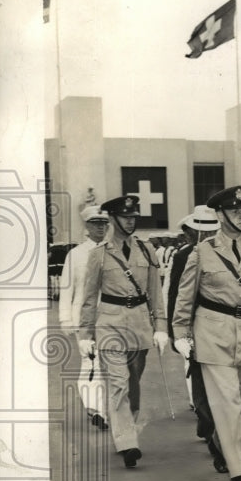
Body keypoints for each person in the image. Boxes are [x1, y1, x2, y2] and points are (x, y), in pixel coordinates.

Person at [172, 186, 241, 481]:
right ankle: (238, 470)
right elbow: (185, 296)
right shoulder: (201, 252)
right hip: (212, 332)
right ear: (220, 216)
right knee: (228, 403)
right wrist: (180, 333)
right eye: (235, 212)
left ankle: (220, 438)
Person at [78, 195, 169, 467]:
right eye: (126, 217)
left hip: (140, 324)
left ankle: (126, 427)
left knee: (133, 383)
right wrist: (85, 334)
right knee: (118, 383)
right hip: (110, 324)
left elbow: (155, 292)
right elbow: (89, 296)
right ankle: (127, 442)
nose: (131, 221)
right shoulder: (99, 254)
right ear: (113, 220)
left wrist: (161, 327)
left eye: (133, 217)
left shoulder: (147, 250)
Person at [166, 205, 225, 472]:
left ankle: (210, 425)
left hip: (225, 327)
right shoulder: (184, 256)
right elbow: (176, 296)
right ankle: (212, 430)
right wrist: (176, 332)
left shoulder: (228, 251)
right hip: (197, 327)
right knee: (201, 380)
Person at [58, 205, 111, 429]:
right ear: (87, 226)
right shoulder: (76, 254)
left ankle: (104, 409)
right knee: (90, 361)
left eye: (104, 223)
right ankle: (96, 409)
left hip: (111, 314)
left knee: (110, 363)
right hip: (84, 317)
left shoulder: (113, 250)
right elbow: (67, 288)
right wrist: (66, 319)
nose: (100, 228)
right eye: (95, 224)